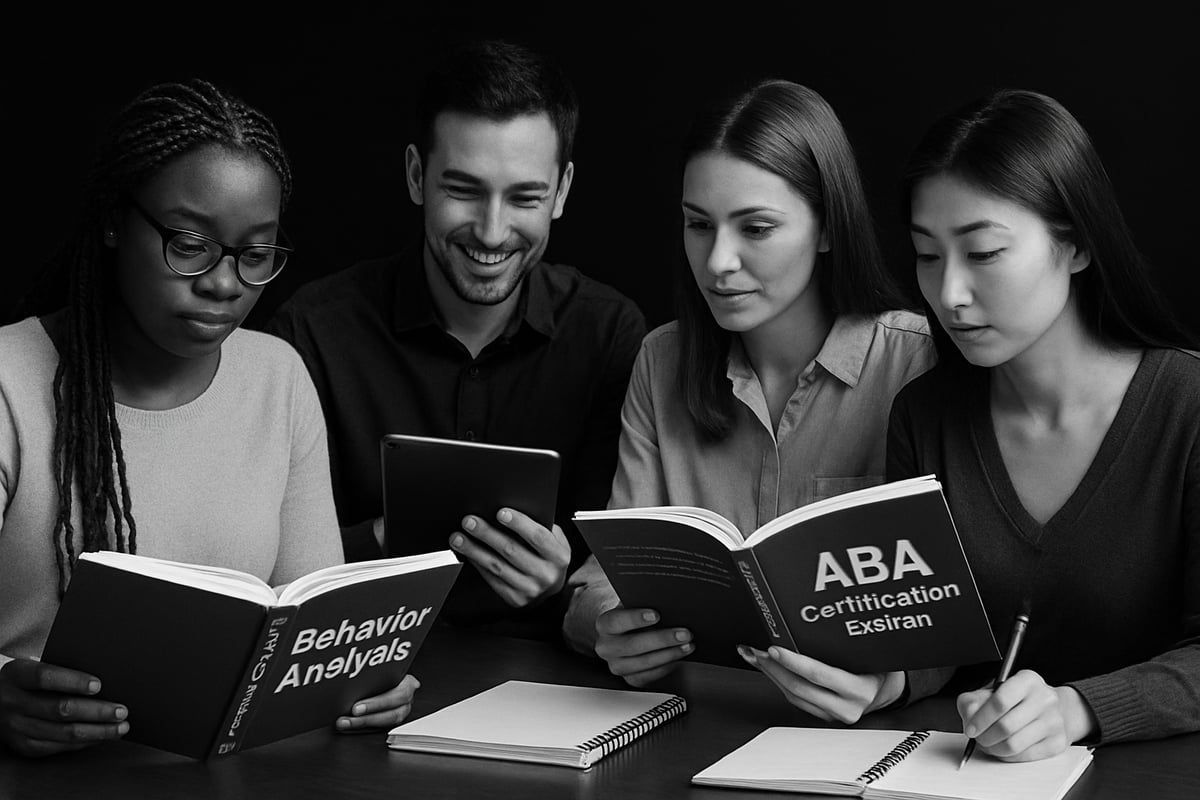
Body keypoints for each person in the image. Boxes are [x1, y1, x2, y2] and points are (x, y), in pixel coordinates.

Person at [0, 80, 418, 758]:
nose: (224, 283)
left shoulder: (277, 376)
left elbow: (313, 622)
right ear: (113, 219)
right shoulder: (8, 383)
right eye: (190, 243)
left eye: (255, 255)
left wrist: (361, 675)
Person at [562, 79, 938, 722]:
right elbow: (603, 576)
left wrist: (895, 682)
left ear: (827, 228)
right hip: (693, 717)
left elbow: (964, 597)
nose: (718, 262)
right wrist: (609, 626)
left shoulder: (915, 362)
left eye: (756, 227)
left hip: (865, 743)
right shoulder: (662, 361)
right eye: (698, 225)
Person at [265, 40, 646, 640]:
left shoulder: (610, 334)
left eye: (525, 197)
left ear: (563, 191)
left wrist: (562, 579)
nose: (492, 232)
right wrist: (385, 540)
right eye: (463, 190)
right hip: (350, 671)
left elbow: (615, 563)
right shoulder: (311, 332)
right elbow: (267, 564)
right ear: (417, 175)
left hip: (554, 686)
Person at [889, 89, 1199, 760]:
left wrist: (1077, 709)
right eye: (927, 255)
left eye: (985, 252)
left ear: (1078, 245)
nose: (949, 295)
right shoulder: (925, 415)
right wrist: (883, 679)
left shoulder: (1188, 406)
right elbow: (933, 639)